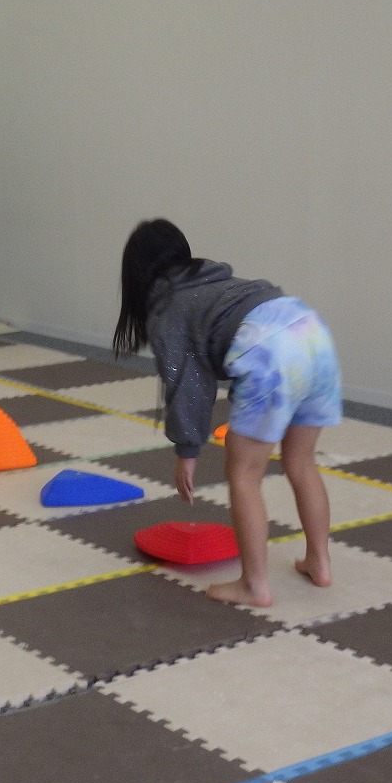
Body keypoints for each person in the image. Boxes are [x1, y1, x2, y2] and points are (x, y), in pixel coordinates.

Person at [113, 220, 341, 607]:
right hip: (311, 331)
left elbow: (187, 384)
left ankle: (255, 586)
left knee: (244, 475)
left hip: (271, 349)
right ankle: (319, 562)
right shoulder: (214, 280)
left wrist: (187, 451)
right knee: (301, 462)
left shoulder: (169, 307)